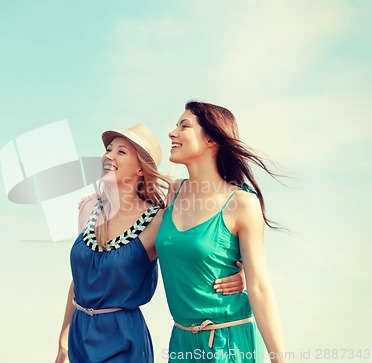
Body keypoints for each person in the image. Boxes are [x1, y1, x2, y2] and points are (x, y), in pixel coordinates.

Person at [55, 124, 246, 363]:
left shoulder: (157, 219)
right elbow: (80, 279)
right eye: (109, 149)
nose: (109, 156)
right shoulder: (88, 208)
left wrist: (244, 273)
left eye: (121, 152)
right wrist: (63, 339)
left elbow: (193, 251)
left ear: (140, 168)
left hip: (122, 340)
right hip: (79, 337)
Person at [155, 101, 287, 362]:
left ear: (211, 139)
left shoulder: (242, 203)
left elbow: (259, 287)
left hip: (229, 342)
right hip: (181, 341)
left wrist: (279, 359)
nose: (172, 133)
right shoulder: (173, 192)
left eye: (184, 126)